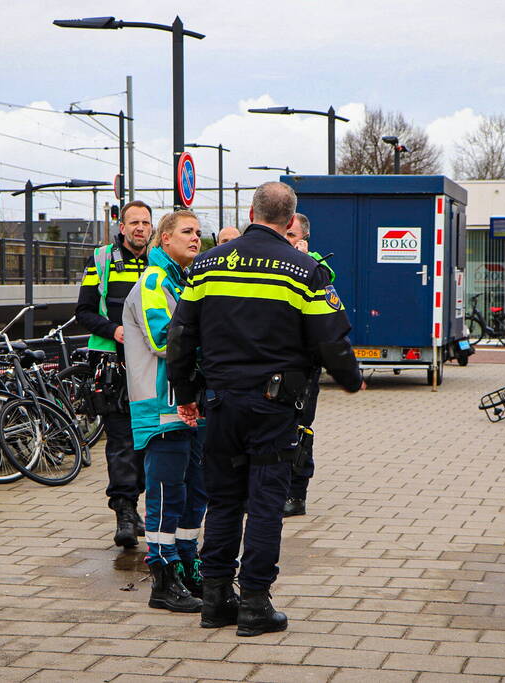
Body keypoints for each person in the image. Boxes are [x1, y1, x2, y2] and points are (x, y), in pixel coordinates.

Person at [167, 181, 364, 637]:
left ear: (251, 211)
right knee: (266, 505)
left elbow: (181, 335)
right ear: (290, 221)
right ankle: (255, 604)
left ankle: (215, 601)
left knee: (223, 502)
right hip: (274, 408)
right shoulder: (303, 269)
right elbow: (330, 338)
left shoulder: (206, 265)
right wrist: (352, 381)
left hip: (219, 404)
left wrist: (185, 393)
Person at [123, 210, 207, 613]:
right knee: (165, 493)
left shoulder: (181, 279)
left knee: (194, 493)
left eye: (198, 233)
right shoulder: (155, 281)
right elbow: (163, 339)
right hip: (161, 406)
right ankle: (162, 576)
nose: (197, 238)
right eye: (187, 232)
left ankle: (188, 565)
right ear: (165, 239)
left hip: (184, 404)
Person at [75, 200, 152, 549]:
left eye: (145, 222)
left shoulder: (158, 262)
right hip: (113, 366)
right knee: (121, 442)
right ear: (121, 228)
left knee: (146, 442)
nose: (139, 228)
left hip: (151, 366)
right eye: (133, 222)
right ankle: (123, 512)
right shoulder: (103, 260)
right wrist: (114, 330)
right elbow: (84, 312)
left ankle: (133, 504)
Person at [280, 212, 334, 517]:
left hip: (303, 367)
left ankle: (296, 494)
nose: (286, 240)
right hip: (273, 361)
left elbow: (326, 290)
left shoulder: (316, 268)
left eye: (292, 235)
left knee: (299, 428)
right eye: (284, 234)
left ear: (304, 241)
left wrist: (306, 262)